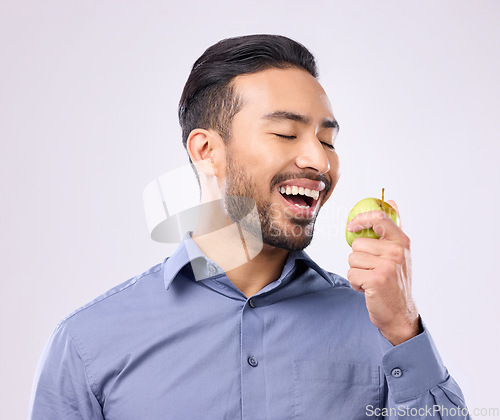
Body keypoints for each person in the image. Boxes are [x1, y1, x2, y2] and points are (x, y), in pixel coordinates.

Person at [29, 34, 470, 419]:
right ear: (206, 151)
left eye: (328, 140)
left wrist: (404, 331)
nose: (320, 160)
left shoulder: (382, 328)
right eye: (285, 133)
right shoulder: (86, 344)